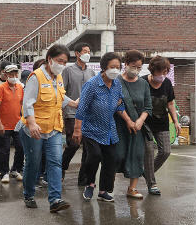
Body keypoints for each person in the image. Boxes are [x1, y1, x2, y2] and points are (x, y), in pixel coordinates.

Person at [18, 44, 78, 211]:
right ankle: (29, 195)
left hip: (54, 128)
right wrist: (31, 123)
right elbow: (27, 102)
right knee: (33, 163)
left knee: (55, 162)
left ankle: (55, 200)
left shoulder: (58, 77)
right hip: (34, 129)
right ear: (50, 59)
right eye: (60, 61)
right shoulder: (35, 76)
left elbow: (60, 96)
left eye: (65, 62)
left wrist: (74, 103)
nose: (62, 65)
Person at [73, 52, 135, 203]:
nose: (115, 69)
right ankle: (89, 184)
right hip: (91, 129)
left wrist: (128, 120)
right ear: (104, 67)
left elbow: (119, 106)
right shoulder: (92, 84)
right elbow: (82, 107)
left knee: (110, 160)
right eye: (112, 66)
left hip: (109, 130)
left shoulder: (117, 85)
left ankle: (103, 191)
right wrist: (77, 129)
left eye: (117, 67)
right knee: (94, 156)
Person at [115, 49, 152, 198]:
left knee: (137, 155)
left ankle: (132, 188)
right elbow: (115, 103)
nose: (136, 69)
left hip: (137, 126)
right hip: (119, 125)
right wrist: (128, 120)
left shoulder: (143, 83)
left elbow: (148, 106)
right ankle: (107, 188)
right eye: (133, 66)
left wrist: (140, 120)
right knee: (117, 155)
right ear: (126, 64)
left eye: (139, 67)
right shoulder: (117, 81)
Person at [142, 56, 182, 195]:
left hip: (162, 121)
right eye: (160, 72)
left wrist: (176, 121)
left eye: (165, 71)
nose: (163, 75)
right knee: (148, 151)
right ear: (153, 70)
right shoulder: (142, 82)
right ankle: (151, 183)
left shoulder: (167, 83)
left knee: (165, 151)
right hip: (146, 123)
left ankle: (146, 171)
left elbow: (170, 103)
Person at [61, 42, 96, 185]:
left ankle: (83, 178)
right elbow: (61, 92)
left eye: (89, 51)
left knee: (88, 148)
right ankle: (61, 168)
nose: (88, 54)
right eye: (85, 51)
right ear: (77, 53)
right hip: (71, 112)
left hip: (89, 114)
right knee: (73, 144)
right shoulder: (68, 71)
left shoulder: (91, 73)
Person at [0, 64, 25, 183]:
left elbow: (22, 105)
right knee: (4, 149)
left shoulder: (20, 88)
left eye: (15, 74)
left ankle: (15, 169)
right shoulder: (1, 88)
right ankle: (4, 172)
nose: (14, 76)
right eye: (11, 74)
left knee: (21, 147)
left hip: (18, 124)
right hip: (4, 124)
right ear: (5, 75)